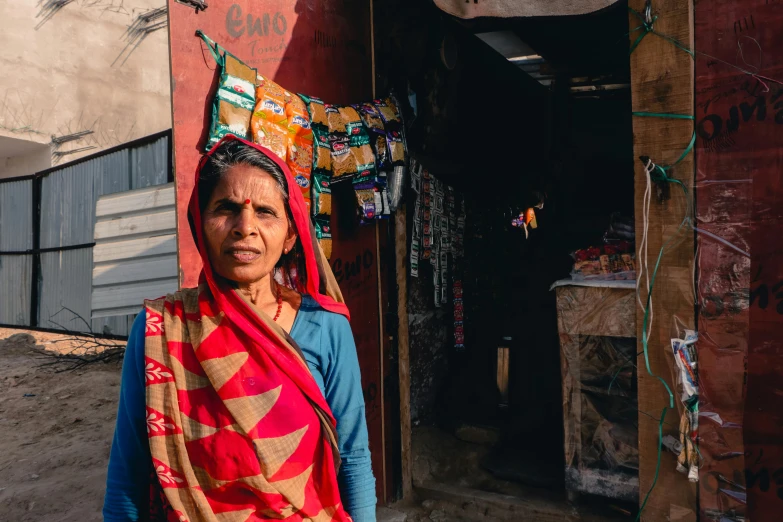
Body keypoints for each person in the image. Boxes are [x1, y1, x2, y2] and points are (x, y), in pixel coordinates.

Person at [103, 135, 376, 521]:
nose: (244, 227)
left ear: (290, 236)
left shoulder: (326, 327)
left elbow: (352, 458)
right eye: (226, 209)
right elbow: (128, 475)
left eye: (265, 212)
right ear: (201, 223)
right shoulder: (162, 330)